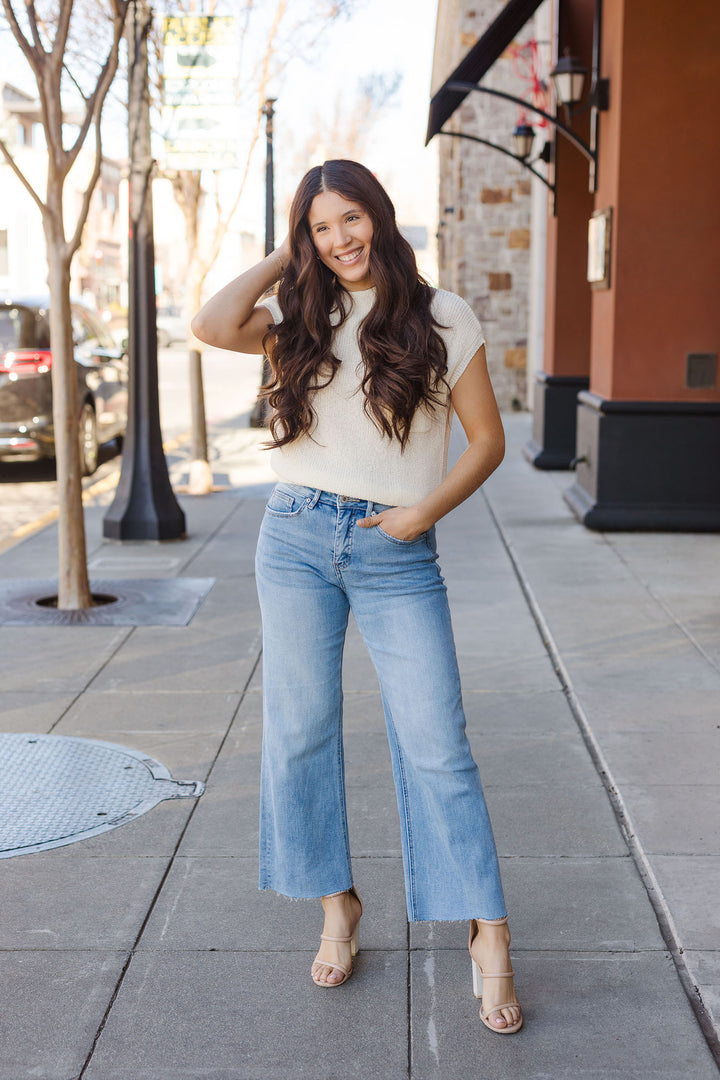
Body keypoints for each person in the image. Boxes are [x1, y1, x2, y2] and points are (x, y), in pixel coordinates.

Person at [191, 159, 522, 1034]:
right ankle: (337, 904)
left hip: (393, 546)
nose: (339, 240)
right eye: (320, 227)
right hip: (294, 535)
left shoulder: (441, 315)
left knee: (436, 744)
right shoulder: (302, 312)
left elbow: (485, 443)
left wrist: (421, 513)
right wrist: (280, 254)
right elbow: (210, 321)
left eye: (350, 220)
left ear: (380, 214)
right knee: (298, 732)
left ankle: (488, 932)